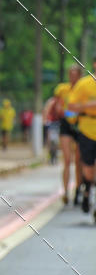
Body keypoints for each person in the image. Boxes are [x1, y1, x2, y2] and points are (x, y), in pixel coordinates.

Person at [68, 56, 96, 217]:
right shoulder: (84, 84)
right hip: (86, 130)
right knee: (88, 169)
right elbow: (71, 107)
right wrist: (88, 105)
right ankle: (86, 189)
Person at [54, 66, 82, 204]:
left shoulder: (83, 88)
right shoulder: (62, 89)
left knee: (78, 160)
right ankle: (65, 191)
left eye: (75, 75)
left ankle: (78, 189)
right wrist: (62, 110)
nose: (73, 77)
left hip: (80, 124)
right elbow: (58, 107)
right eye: (70, 74)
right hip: (66, 124)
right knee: (67, 160)